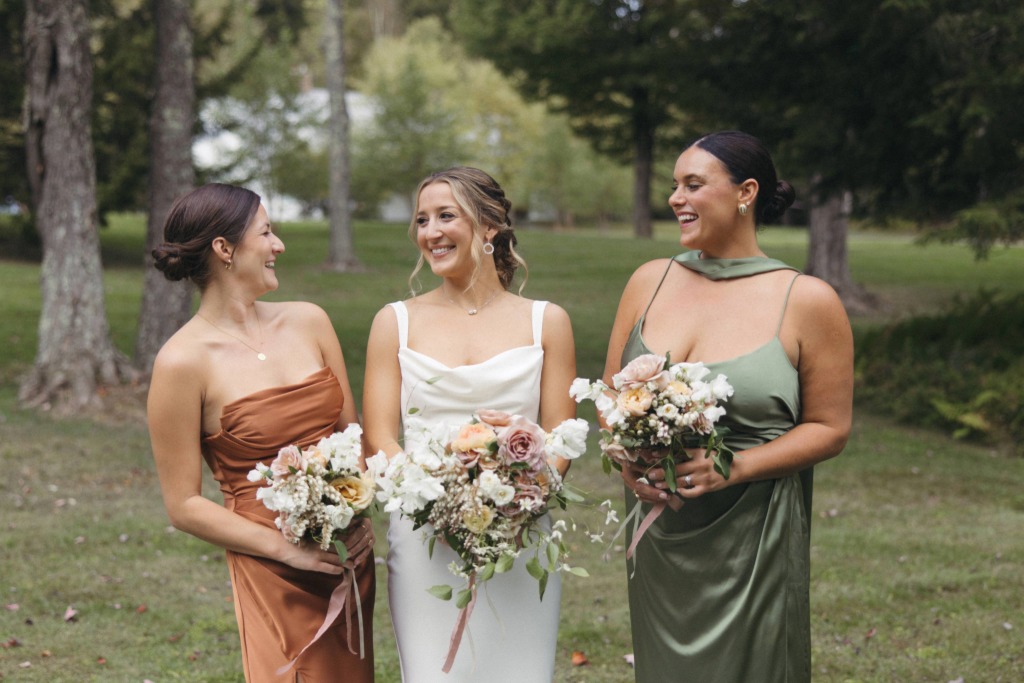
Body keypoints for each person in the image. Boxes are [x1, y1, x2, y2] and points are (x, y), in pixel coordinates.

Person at [602, 131, 853, 682]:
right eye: (674, 185)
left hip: (752, 540)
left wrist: (732, 466)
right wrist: (628, 460)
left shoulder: (807, 299)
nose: (675, 197)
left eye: (693, 184)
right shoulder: (649, 281)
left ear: (746, 192)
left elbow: (830, 428)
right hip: (661, 531)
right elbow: (609, 399)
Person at [146, 183, 375, 682]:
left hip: (348, 553)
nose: (279, 246)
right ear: (224, 249)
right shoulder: (181, 362)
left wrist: (355, 513)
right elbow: (183, 504)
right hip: (273, 564)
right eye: (267, 233)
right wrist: (289, 550)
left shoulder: (310, 321)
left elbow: (350, 434)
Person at [362, 167, 577, 681]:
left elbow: (562, 436)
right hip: (424, 534)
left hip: (519, 530)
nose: (430, 232)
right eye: (421, 220)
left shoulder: (547, 321)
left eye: (445, 216)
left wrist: (519, 494)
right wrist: (435, 497)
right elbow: (380, 433)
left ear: (489, 227)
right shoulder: (394, 321)